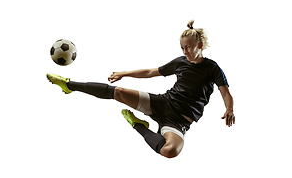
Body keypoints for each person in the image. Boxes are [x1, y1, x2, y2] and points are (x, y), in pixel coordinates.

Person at [46, 20, 235, 158]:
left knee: (170, 151)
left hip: (179, 121)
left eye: (188, 48)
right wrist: (124, 73)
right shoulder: (180, 62)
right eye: (182, 48)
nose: (184, 52)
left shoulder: (212, 68)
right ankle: (69, 85)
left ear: (200, 46)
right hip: (163, 103)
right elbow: (151, 72)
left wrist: (229, 109)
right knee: (119, 92)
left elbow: (225, 93)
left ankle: (139, 125)